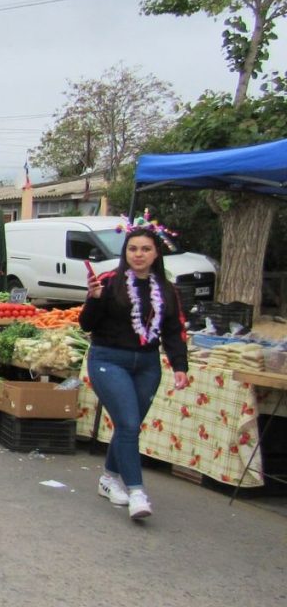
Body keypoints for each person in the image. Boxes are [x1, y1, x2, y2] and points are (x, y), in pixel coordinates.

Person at [79, 218, 188, 520]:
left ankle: (109, 478)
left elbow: (173, 329)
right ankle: (137, 491)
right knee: (128, 424)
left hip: (147, 365)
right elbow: (87, 324)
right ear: (125, 252)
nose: (138, 254)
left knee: (129, 425)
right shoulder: (109, 280)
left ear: (156, 254)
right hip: (109, 359)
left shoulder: (167, 289)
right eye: (133, 249)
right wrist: (94, 299)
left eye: (145, 249)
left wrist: (180, 365)